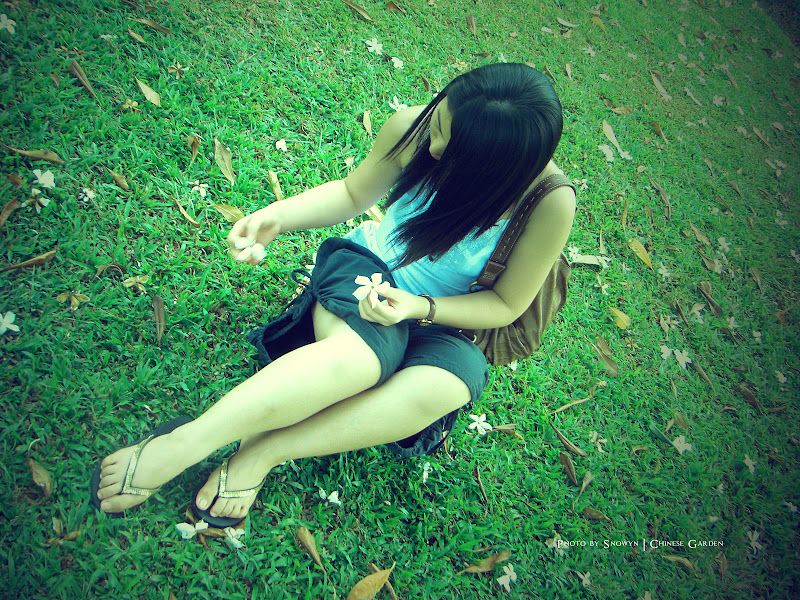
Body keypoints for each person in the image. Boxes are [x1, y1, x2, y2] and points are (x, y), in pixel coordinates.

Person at [91, 62, 576, 526]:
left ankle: (266, 451)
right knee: (363, 359)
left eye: (452, 145)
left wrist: (420, 308)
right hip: (369, 273)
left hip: (439, 316)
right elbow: (351, 194)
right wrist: (276, 217)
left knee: (451, 385)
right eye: (440, 122)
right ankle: (183, 444)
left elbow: (505, 304)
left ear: (496, 171)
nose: (434, 144)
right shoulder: (416, 129)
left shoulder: (548, 203)